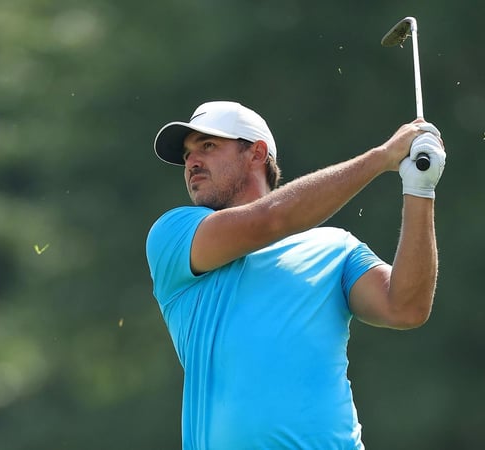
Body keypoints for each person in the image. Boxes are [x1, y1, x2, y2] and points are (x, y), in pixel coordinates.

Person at [145, 100, 446, 449]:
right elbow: (271, 219)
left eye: (208, 146)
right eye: (186, 155)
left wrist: (420, 190)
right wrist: (382, 157)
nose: (192, 162)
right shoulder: (175, 236)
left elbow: (406, 308)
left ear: (256, 153)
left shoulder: (337, 248)